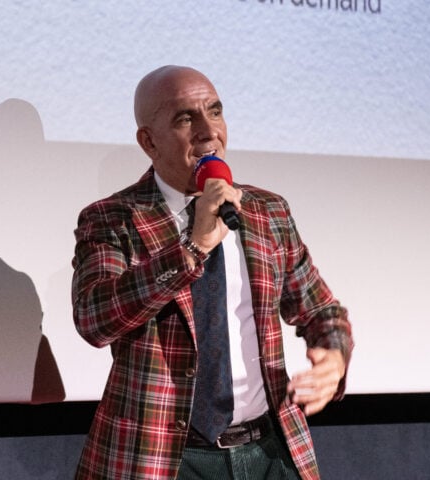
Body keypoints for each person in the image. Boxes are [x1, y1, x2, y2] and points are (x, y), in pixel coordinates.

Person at [71, 66, 353, 479]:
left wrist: (334, 356)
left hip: (269, 451)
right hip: (164, 459)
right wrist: (193, 247)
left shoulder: (266, 211)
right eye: (185, 119)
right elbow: (95, 320)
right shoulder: (114, 219)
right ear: (149, 141)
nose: (209, 132)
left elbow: (322, 311)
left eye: (215, 112)